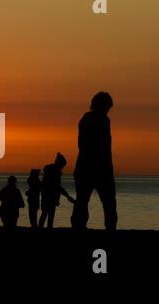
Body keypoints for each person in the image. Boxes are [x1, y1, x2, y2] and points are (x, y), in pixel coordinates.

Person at [71, 92, 117, 231]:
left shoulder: (97, 119)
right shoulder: (97, 120)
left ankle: (81, 226)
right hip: (94, 168)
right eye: (107, 106)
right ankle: (81, 226)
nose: (108, 109)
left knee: (85, 201)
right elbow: (91, 146)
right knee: (92, 201)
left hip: (90, 168)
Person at [38, 153, 75, 229]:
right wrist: (67, 196)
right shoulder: (54, 173)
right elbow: (57, 187)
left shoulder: (52, 172)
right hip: (48, 197)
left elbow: (57, 188)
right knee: (47, 214)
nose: (62, 168)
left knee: (46, 214)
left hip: (48, 197)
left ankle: (42, 228)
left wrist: (66, 196)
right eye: (62, 166)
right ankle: (43, 228)